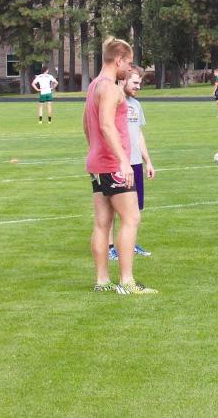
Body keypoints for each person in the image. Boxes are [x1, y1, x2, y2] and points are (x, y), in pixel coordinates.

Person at [84, 37, 157, 294]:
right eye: (128, 63)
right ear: (118, 60)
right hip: (113, 164)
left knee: (102, 223)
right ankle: (127, 282)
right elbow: (105, 125)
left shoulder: (94, 86)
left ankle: (102, 281)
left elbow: (86, 125)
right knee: (131, 217)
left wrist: (95, 152)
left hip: (98, 163)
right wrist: (124, 161)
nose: (130, 68)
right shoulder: (111, 89)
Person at [108, 69, 155, 261]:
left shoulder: (136, 105)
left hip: (135, 163)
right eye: (135, 83)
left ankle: (129, 244)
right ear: (123, 81)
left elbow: (139, 135)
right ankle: (111, 247)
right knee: (112, 207)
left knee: (134, 210)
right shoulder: (113, 102)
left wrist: (148, 161)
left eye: (139, 83)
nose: (138, 86)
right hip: (118, 164)